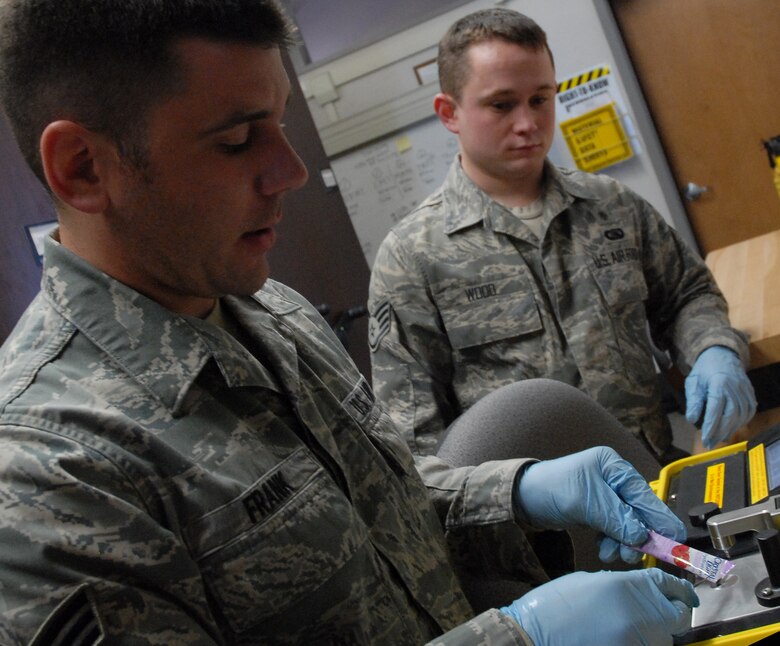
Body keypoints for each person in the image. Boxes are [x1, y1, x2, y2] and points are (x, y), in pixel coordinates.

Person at [0, 1, 698, 644]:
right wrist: (521, 636)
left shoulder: (275, 312)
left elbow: (380, 515)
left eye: (278, 123)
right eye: (240, 140)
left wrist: (516, 494)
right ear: (85, 168)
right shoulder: (47, 479)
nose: (292, 170)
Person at [368, 8, 757, 465]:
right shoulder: (413, 256)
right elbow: (415, 438)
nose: (528, 123)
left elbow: (687, 293)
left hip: (652, 471)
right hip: (540, 526)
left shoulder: (610, 205)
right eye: (502, 104)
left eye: (540, 99)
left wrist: (713, 349)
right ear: (449, 113)